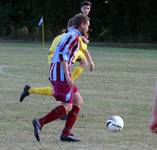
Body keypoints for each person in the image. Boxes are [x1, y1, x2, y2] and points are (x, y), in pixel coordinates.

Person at [32, 14, 90, 142]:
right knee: (67, 107)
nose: (88, 28)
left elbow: (71, 43)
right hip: (61, 74)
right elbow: (64, 54)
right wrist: (67, 74)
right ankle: (40, 122)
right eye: (87, 26)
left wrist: (83, 39)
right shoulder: (73, 36)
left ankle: (66, 133)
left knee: (78, 102)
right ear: (81, 25)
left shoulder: (73, 35)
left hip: (59, 72)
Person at [20, 1, 93, 101]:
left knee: (81, 65)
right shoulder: (72, 34)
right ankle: (31, 90)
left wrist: (90, 61)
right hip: (55, 57)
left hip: (64, 56)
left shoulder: (77, 32)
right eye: (84, 8)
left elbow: (83, 49)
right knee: (58, 90)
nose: (86, 10)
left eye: (88, 8)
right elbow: (72, 50)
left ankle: (66, 84)